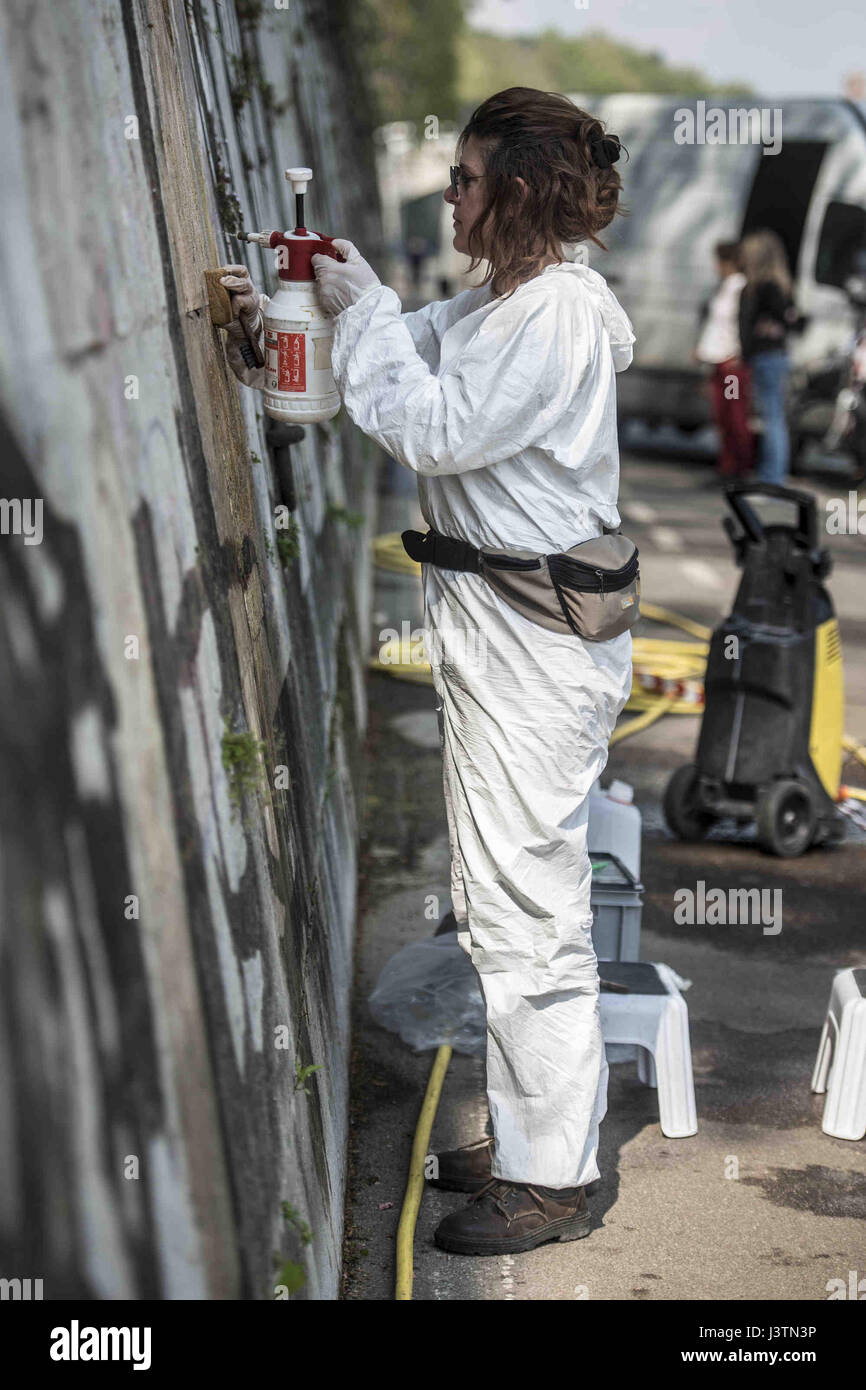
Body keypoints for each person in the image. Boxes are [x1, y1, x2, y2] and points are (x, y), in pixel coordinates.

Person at [221, 87, 636, 1256]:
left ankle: (550, 1178)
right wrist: (301, 318)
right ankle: (527, 1134)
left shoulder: (549, 316)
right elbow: (384, 369)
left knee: (529, 913)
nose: (447, 196)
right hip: (509, 645)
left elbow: (432, 427)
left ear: (510, 190)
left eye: (460, 180)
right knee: (500, 901)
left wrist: (363, 307)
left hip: (532, 657)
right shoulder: (498, 305)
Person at [738, 229, 800, 485]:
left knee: (772, 417)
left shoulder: (765, 288)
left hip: (767, 358)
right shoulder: (781, 285)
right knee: (773, 416)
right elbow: (793, 318)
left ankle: (772, 476)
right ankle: (771, 473)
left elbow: (786, 319)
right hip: (774, 356)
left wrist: (767, 327)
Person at [695, 240, 753, 480]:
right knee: (721, 415)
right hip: (717, 359)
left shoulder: (741, 288)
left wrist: (737, 352)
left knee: (735, 415)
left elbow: (742, 324)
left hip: (731, 363)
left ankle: (740, 466)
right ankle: (727, 465)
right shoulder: (724, 287)